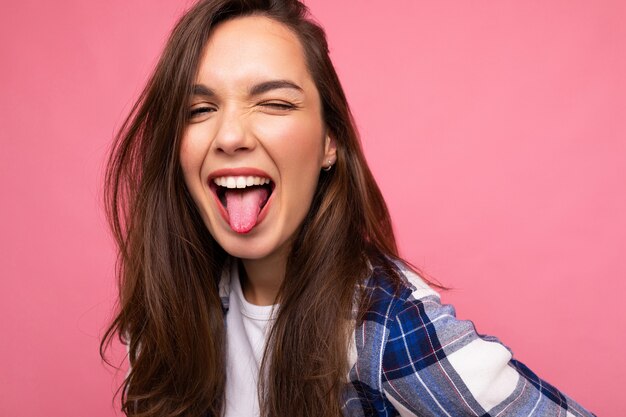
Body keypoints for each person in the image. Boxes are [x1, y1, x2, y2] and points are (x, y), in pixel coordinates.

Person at [100, 0, 595, 416]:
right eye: (200, 110)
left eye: (275, 104)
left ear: (329, 143)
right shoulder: (170, 310)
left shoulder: (383, 327)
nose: (229, 136)